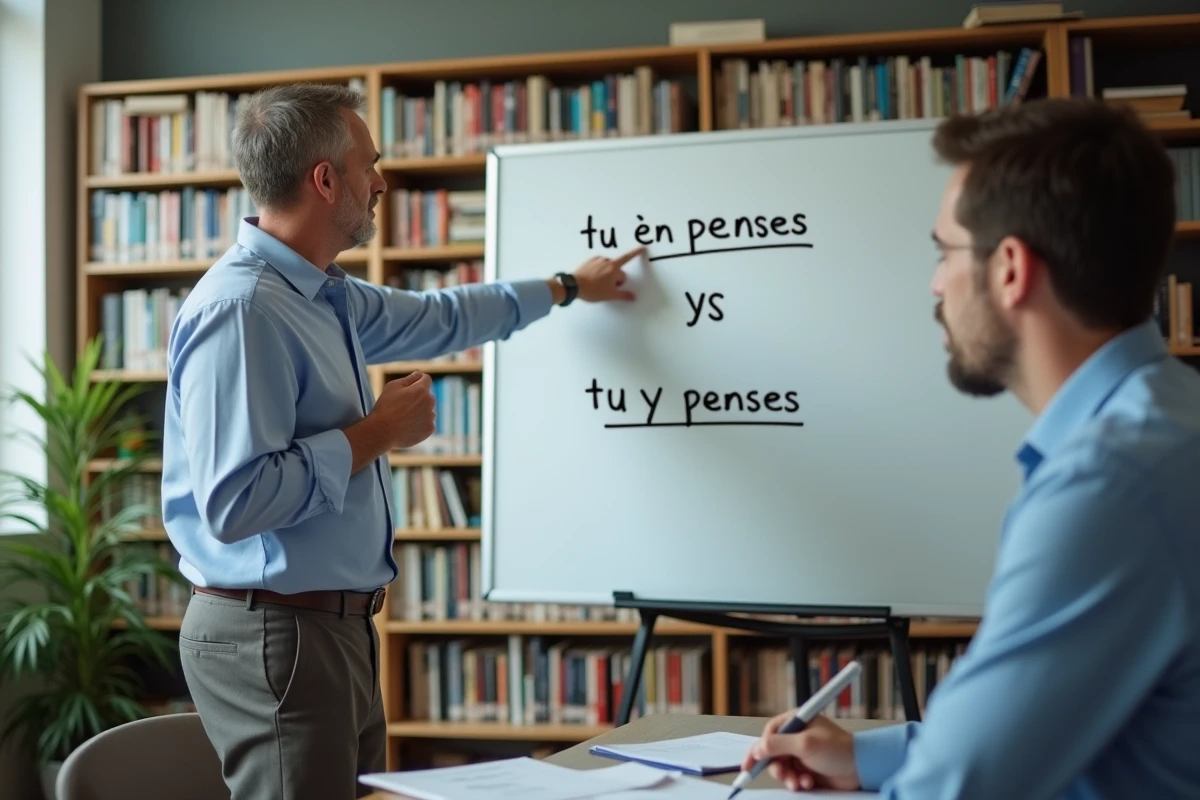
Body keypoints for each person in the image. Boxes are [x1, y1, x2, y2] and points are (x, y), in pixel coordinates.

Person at [161, 82, 641, 800]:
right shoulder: (245, 310)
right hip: (276, 629)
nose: (381, 181)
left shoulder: (324, 294)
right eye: (370, 164)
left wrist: (568, 286)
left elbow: (444, 317)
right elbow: (236, 501)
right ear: (326, 180)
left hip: (329, 628)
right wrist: (376, 433)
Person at [743, 98, 1200, 798]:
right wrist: (871, 759)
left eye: (944, 251)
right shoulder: (1169, 416)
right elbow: (1071, 717)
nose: (934, 283)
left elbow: (958, 789)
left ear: (1010, 268)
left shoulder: (1110, 484)